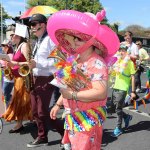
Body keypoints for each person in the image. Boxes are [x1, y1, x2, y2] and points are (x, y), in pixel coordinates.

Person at [48, 10, 120, 150]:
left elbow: (100, 93)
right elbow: (66, 85)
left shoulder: (97, 63)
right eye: (74, 37)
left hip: (87, 120)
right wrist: (58, 104)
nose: (74, 41)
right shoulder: (73, 58)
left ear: (91, 41)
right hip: (72, 118)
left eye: (78, 39)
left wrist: (73, 95)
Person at [27, 13, 64, 148]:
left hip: (46, 78)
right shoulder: (37, 40)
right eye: (31, 25)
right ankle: (42, 137)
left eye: (33, 24)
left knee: (43, 112)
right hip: (35, 78)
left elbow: (57, 62)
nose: (31, 27)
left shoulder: (51, 40)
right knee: (35, 112)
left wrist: (37, 64)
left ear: (42, 25)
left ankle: (64, 133)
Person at [2, 23, 32, 133]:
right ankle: (20, 123)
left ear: (18, 36)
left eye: (13, 35)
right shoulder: (18, 46)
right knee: (19, 101)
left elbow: (29, 63)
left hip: (23, 79)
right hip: (18, 79)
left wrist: (14, 63)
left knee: (22, 101)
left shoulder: (24, 45)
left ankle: (21, 124)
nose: (11, 37)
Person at [110, 44, 136, 137]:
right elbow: (114, 72)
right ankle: (127, 117)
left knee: (118, 108)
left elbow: (133, 77)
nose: (121, 52)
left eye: (123, 51)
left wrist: (132, 91)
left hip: (123, 88)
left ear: (127, 52)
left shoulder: (129, 63)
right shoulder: (118, 61)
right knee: (113, 107)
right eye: (120, 50)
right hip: (115, 86)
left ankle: (118, 128)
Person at [0, 39, 14, 108]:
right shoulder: (6, 54)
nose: (2, 47)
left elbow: (11, 66)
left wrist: (4, 66)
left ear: (8, 47)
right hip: (4, 76)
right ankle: (8, 108)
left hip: (9, 78)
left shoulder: (10, 55)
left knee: (6, 94)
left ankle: (8, 109)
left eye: (3, 46)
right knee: (5, 93)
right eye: (2, 46)